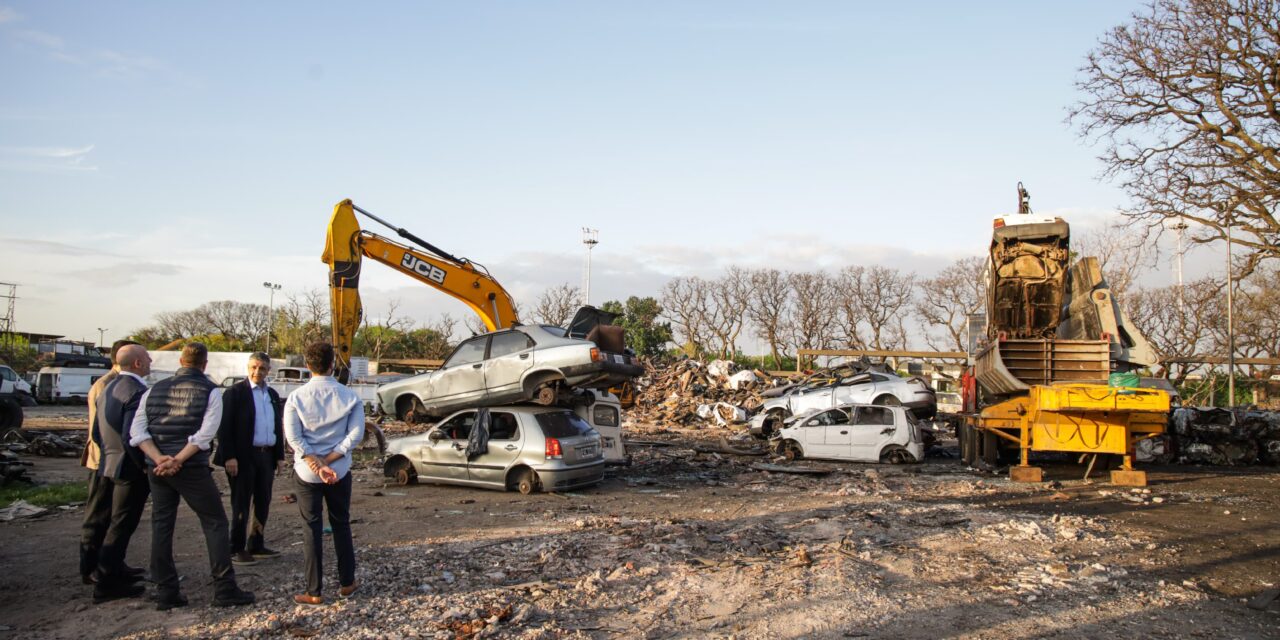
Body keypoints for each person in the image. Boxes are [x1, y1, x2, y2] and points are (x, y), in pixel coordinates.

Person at [128, 342, 254, 610]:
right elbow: (205, 434)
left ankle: (166, 591)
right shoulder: (210, 392)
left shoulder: (152, 391)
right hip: (191, 468)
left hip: (158, 468)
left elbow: (137, 433)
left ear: (181, 361)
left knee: (162, 525)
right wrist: (178, 459)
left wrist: (159, 458)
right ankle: (224, 588)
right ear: (204, 364)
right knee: (215, 523)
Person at [283, 342, 364, 605]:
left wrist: (316, 463)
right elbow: (356, 435)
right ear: (333, 365)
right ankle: (347, 583)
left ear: (307, 366)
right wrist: (330, 460)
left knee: (311, 528)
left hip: (307, 473)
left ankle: (314, 591)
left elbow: (293, 437)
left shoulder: (295, 397)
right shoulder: (350, 396)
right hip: (339, 470)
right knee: (341, 523)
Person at [78, 339, 144, 586]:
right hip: (104, 462)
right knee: (98, 516)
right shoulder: (106, 385)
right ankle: (90, 567)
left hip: (110, 460)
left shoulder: (117, 383)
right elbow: (101, 430)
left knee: (113, 516)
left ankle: (112, 564)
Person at [91, 344, 153, 602]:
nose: (151, 360)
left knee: (115, 522)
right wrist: (142, 465)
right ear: (138, 363)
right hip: (129, 470)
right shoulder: (138, 392)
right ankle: (107, 584)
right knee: (121, 525)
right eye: (147, 357)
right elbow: (133, 436)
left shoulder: (108, 387)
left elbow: (96, 432)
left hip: (110, 464)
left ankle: (116, 569)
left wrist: (108, 455)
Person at [214, 352, 285, 565]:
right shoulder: (235, 393)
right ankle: (236, 547)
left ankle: (257, 542)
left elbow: (276, 426)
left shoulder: (271, 394)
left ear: (268, 370)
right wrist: (229, 456)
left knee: (263, 500)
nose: (257, 372)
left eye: (262, 368)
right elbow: (224, 428)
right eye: (254, 367)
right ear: (248, 367)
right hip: (243, 457)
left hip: (266, 454)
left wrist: (279, 456)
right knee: (241, 502)